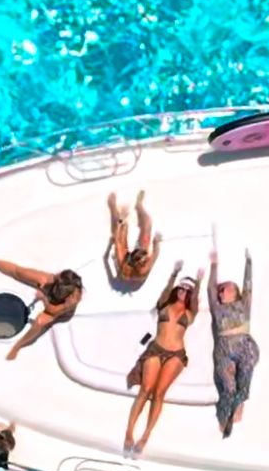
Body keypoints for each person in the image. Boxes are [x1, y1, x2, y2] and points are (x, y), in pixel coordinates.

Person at [123, 261, 204, 455]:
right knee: (145, 390)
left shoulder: (190, 312)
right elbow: (166, 291)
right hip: (156, 349)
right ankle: (129, 433)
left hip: (176, 354)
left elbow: (195, 300)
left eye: (188, 290)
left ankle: (145, 436)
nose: (184, 291)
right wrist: (174, 273)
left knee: (159, 394)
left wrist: (199, 282)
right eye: (181, 288)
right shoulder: (164, 304)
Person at [0, 254, 84, 360]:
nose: (52, 277)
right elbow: (20, 272)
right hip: (54, 292)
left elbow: (51, 311)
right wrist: (45, 285)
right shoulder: (55, 280)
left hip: (58, 310)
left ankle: (18, 346)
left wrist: (43, 298)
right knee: (19, 272)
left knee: (40, 322)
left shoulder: (71, 301)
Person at [209, 243, 260, 438]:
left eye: (226, 289)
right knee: (228, 387)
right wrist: (214, 265)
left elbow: (248, 285)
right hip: (224, 348)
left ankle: (239, 404)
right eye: (221, 290)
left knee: (243, 385)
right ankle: (225, 416)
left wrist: (249, 263)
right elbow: (211, 289)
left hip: (244, 347)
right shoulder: (217, 307)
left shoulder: (243, 304)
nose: (221, 292)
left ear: (235, 293)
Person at [108, 190, 161, 284]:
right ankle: (139, 206)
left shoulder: (124, 264)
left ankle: (112, 206)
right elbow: (155, 253)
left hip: (127, 269)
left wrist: (121, 220)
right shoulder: (144, 263)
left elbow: (117, 241)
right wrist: (156, 242)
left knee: (119, 231)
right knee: (147, 225)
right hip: (134, 267)